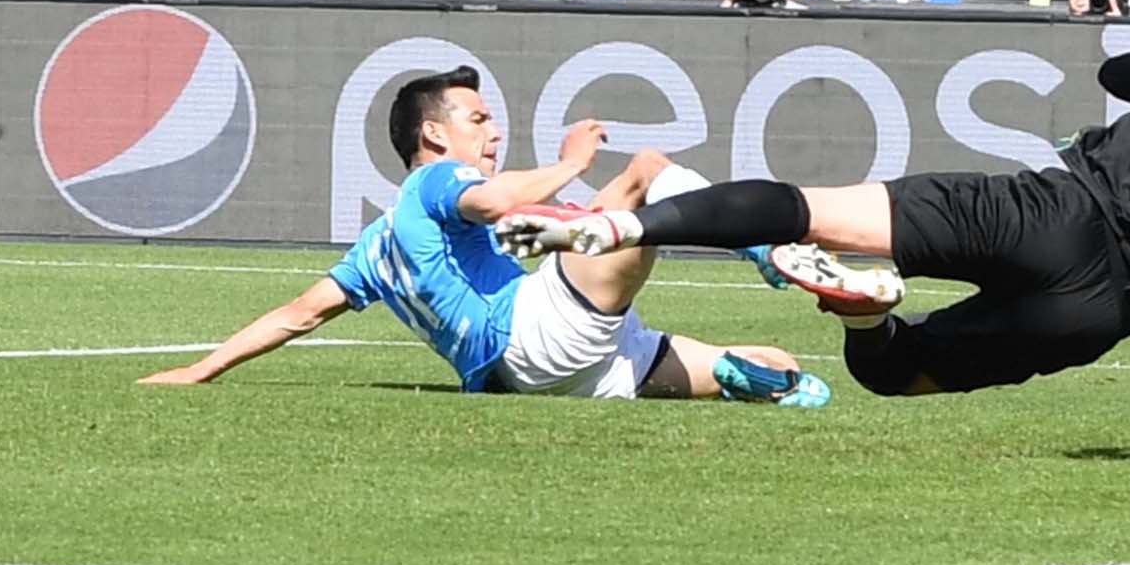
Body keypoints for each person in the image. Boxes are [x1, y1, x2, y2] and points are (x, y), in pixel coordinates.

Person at [508, 0, 1130, 471]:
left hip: (1047, 208)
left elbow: (1121, 72)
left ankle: (627, 226)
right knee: (894, 376)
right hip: (1094, 310)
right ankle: (872, 312)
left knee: (813, 206)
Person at [142, 74, 828, 408]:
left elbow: (298, 313)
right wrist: (574, 161)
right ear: (435, 135)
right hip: (536, 332)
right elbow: (499, 198)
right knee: (644, 172)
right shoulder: (437, 179)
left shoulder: (377, 247)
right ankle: (759, 244)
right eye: (477, 118)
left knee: (783, 364)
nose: (491, 132)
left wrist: (200, 370)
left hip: (556, 372)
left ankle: (755, 379)